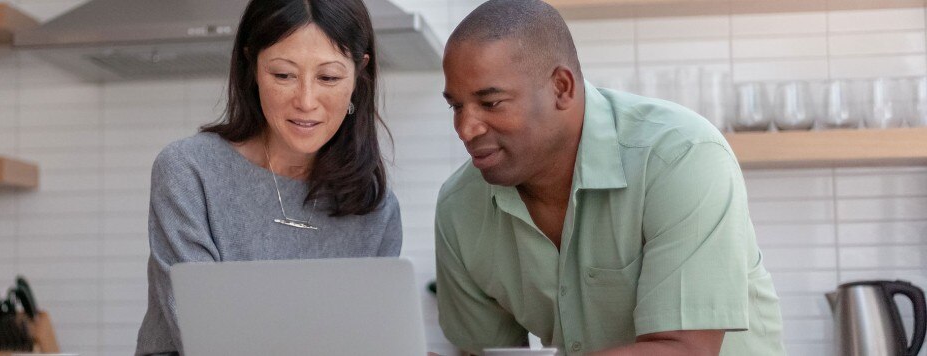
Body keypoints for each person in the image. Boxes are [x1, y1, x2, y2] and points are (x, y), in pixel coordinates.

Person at [433, 1, 785, 355]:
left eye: (491, 103)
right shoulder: (459, 208)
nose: (465, 129)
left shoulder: (680, 155)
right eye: (456, 106)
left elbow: (685, 350)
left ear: (561, 87)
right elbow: (483, 351)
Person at [134, 0, 402, 354]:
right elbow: (200, 331)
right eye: (283, 75)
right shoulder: (189, 170)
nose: (306, 101)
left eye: (328, 77)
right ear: (252, 68)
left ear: (358, 75)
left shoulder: (376, 208)